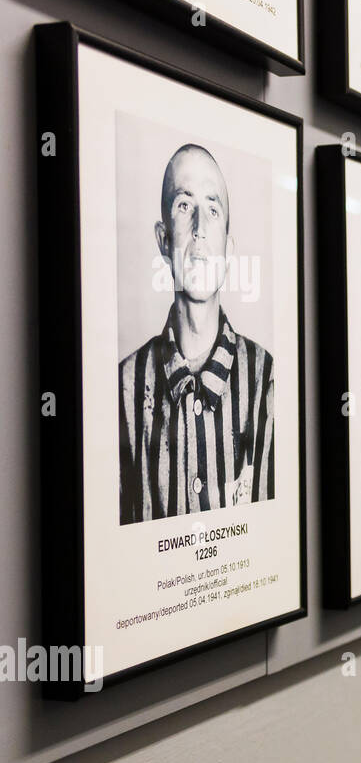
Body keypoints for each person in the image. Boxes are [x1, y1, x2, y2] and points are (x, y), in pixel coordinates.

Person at [119, 144, 274, 524]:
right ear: (163, 239)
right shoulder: (124, 386)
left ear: (228, 247)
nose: (200, 230)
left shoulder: (266, 379)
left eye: (213, 209)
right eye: (184, 206)